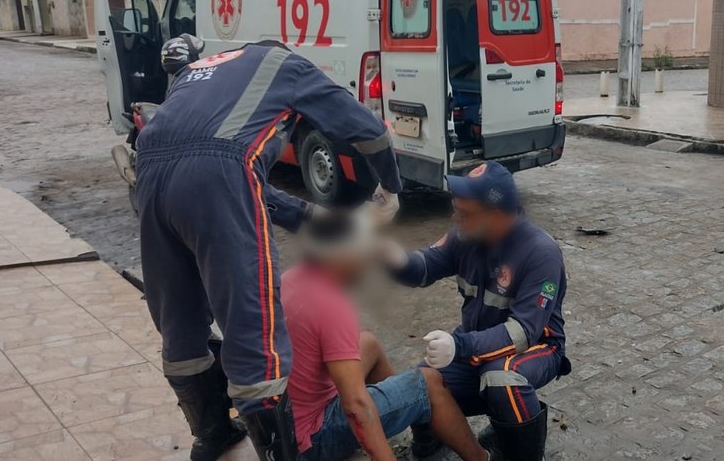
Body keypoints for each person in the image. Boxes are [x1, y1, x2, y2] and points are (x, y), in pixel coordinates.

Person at [135, 40, 402, 461]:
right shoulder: (285, 64)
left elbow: (214, 165)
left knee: (178, 320)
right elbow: (366, 130)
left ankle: (212, 435)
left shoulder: (202, 71)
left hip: (149, 175)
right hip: (217, 176)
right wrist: (390, 186)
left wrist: (318, 221)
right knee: (253, 331)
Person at [382, 161, 569, 461]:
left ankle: (522, 453)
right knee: (422, 381)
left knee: (503, 380)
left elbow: (523, 333)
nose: (455, 217)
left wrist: (460, 346)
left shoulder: (539, 252)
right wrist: (388, 255)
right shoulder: (464, 236)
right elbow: (424, 267)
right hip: (474, 341)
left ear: (496, 217)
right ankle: (433, 445)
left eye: (465, 213)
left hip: (537, 347)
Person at [280, 219, 491, 461]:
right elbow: (356, 406)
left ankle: (425, 432)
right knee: (430, 382)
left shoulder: (291, 278)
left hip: (286, 421)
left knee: (367, 343)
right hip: (312, 439)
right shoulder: (334, 306)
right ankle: (482, 458)